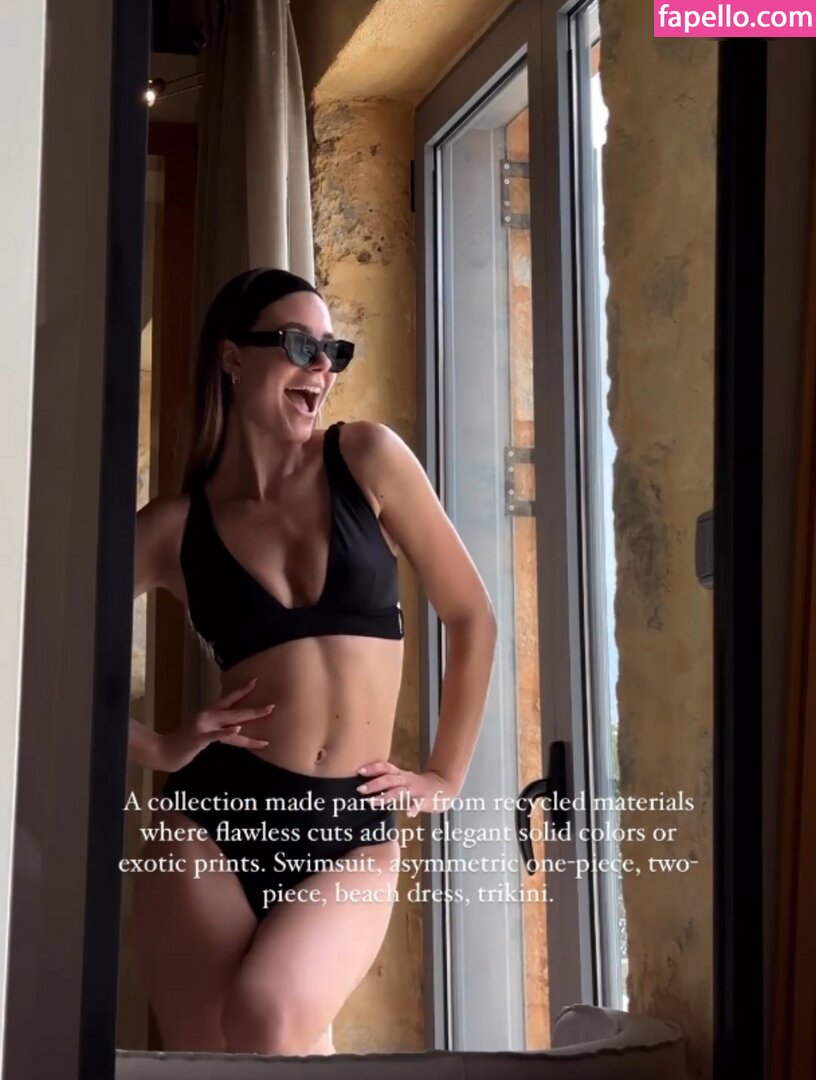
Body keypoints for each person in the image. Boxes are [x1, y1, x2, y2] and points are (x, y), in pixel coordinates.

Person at [128, 268, 497, 1055]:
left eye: (335, 350)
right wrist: (157, 747)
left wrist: (445, 775)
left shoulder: (365, 457)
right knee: (214, 1069)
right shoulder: (174, 529)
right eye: (302, 346)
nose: (324, 367)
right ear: (234, 358)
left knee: (270, 1015)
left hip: (352, 824)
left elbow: (472, 617)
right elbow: (42, 651)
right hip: (210, 823)